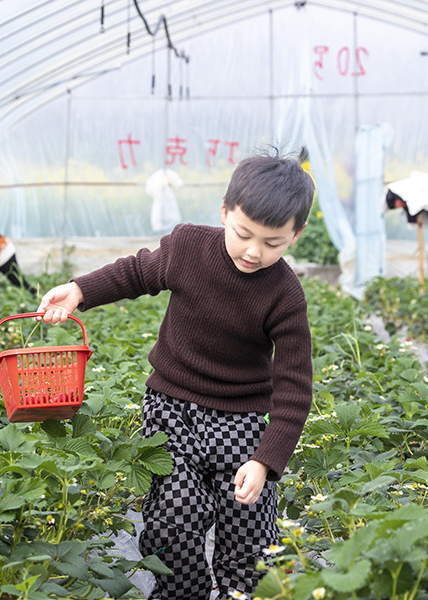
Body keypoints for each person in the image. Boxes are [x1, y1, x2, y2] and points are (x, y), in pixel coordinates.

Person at [37, 151, 315, 599]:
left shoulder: (284, 294)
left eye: (272, 243)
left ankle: (240, 594)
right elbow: (134, 272)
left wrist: (265, 461)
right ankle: (180, 594)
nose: (253, 251)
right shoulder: (188, 247)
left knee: (249, 520)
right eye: (243, 234)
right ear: (224, 212)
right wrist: (79, 291)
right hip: (171, 409)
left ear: (295, 236)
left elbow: (294, 387)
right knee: (173, 516)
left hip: (239, 420)